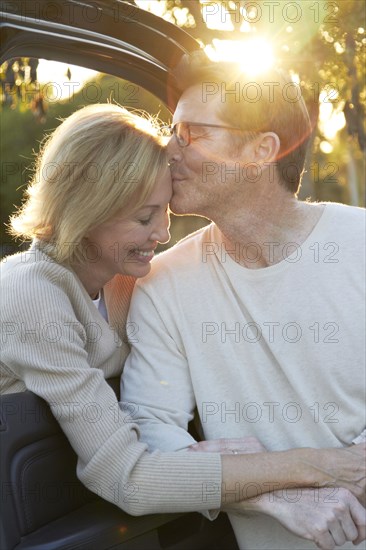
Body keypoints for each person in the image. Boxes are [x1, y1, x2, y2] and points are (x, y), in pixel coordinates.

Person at [3, 103, 362, 522]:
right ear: (87, 212)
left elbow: (152, 424)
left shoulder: (125, 281)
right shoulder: (27, 294)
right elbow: (128, 476)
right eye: (144, 218)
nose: (164, 233)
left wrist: (222, 470)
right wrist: (318, 467)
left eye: (165, 211)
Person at [120, 54, 366, 549]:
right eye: (173, 131)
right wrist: (276, 495)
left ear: (260, 151)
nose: (168, 149)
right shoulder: (162, 283)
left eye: (192, 134)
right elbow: (150, 437)